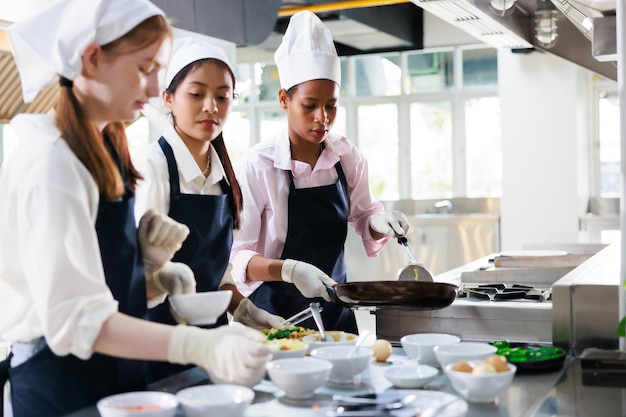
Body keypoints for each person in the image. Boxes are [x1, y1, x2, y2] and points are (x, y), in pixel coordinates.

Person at [0, 1, 272, 416]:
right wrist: (196, 343)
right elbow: (73, 318)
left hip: (113, 371)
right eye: (144, 69)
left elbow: (95, 286)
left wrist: (147, 274)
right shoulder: (52, 162)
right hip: (60, 383)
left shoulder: (103, 148)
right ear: (92, 59)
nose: (151, 90)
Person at [230, 10, 410, 335]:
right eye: (310, 105)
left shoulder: (345, 156)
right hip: (275, 316)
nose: (322, 118)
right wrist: (290, 270)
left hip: (336, 308)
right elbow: (240, 256)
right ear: (284, 99)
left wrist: (380, 222)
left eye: (331, 105)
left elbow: (364, 215)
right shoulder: (257, 166)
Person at [135, 37, 287, 381]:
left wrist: (247, 310)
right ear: (169, 99)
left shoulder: (225, 177)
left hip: (217, 345)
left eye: (222, 96)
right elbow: (134, 274)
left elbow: (219, 278)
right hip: (160, 342)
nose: (211, 106)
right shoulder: (152, 166)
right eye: (197, 94)